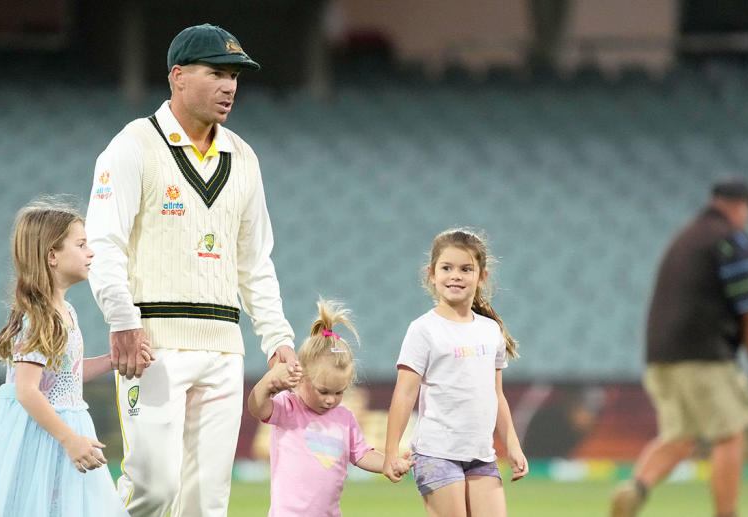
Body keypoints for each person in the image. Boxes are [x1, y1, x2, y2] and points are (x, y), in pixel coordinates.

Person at [85, 23, 298, 517]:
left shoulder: (243, 158)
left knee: (206, 504)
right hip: (153, 344)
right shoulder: (134, 144)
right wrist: (122, 321)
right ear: (178, 76)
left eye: (235, 77)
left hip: (223, 347)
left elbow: (254, 261)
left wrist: (277, 338)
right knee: (154, 489)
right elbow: (104, 242)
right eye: (217, 73)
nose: (230, 86)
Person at [0, 200, 130, 517]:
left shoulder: (66, 312)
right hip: (39, 434)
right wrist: (70, 439)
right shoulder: (39, 318)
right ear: (52, 256)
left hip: (62, 427)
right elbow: (27, 390)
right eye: (81, 244)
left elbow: (65, 376)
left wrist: (111, 360)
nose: (91, 252)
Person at [610, 179, 748, 517]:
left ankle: (636, 487)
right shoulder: (730, 239)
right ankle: (726, 513)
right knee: (730, 433)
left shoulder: (687, 237)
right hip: (706, 356)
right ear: (738, 205)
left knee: (680, 436)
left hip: (661, 357)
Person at [383, 228, 528, 517]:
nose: (455, 276)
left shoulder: (490, 331)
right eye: (446, 268)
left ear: (482, 276)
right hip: (436, 453)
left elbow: (495, 394)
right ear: (432, 274)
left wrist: (513, 445)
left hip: (481, 455)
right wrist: (390, 453)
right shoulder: (423, 330)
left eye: (466, 269)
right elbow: (404, 393)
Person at [248, 299, 400, 516]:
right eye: (324, 391)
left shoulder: (344, 417)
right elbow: (257, 407)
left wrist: (389, 463)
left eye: (339, 392)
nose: (331, 400)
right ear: (301, 379)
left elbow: (362, 454)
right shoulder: (288, 407)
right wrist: (269, 382)